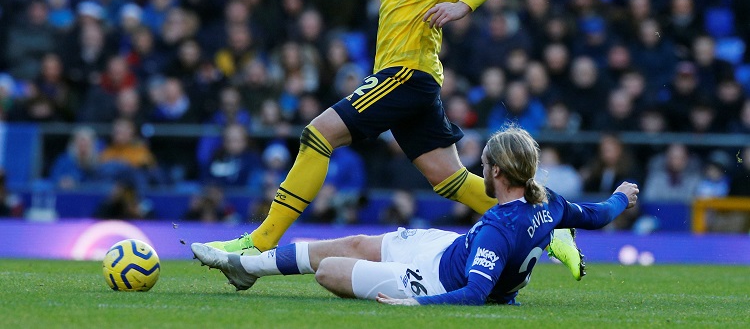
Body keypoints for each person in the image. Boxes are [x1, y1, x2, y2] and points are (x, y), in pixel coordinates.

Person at [204, 0, 583, 278]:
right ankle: (549, 222)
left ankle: (259, 243)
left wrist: (465, 5)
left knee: (318, 134)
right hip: (415, 78)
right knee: (451, 181)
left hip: (405, 71)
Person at [192, 127, 639, 305]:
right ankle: (245, 267)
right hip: (446, 250)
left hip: (434, 281)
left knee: (329, 271)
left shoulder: (500, 231)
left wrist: (414, 304)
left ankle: (247, 266)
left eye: (482, 164)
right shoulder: (549, 203)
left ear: (498, 171)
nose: (477, 170)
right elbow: (596, 216)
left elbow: (475, 294)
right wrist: (622, 196)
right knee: (354, 244)